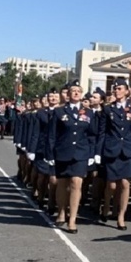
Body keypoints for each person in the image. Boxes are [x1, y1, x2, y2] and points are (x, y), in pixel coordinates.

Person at [49, 80, 99, 234]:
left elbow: (92, 135)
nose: (76, 93)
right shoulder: (59, 112)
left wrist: (91, 154)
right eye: (73, 90)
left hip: (81, 153)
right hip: (63, 151)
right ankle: (61, 212)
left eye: (79, 90)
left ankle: (72, 220)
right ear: (68, 94)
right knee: (63, 184)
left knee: (77, 183)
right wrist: (50, 154)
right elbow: (52, 135)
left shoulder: (88, 113)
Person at [97, 78, 131, 230]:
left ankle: (121, 216)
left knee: (125, 183)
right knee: (111, 184)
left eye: (119, 89)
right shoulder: (108, 109)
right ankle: (106, 206)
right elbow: (102, 132)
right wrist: (99, 151)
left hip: (128, 150)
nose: (116, 91)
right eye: (115, 89)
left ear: (126, 91)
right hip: (112, 149)